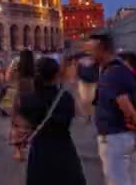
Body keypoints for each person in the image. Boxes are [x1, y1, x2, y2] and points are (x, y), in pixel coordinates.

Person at [17, 57, 86, 185]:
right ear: (56, 75)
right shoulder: (65, 97)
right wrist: (73, 86)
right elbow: (83, 115)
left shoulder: (27, 99)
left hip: (40, 152)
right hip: (64, 150)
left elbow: (21, 128)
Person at [90, 34, 136, 184]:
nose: (90, 54)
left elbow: (125, 104)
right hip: (124, 136)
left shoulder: (111, 74)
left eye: (92, 50)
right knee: (132, 177)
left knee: (117, 180)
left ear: (102, 49)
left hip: (114, 138)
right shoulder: (123, 69)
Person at [8, 49, 35, 161]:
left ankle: (18, 152)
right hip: (32, 100)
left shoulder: (16, 70)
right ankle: (32, 147)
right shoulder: (35, 71)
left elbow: (8, 78)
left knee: (16, 125)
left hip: (17, 99)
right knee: (31, 124)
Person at [75, 51, 99, 123]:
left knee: (91, 100)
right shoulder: (80, 63)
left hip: (92, 83)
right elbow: (77, 72)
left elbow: (98, 71)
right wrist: (76, 79)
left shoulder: (95, 63)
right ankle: (87, 115)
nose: (86, 59)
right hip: (83, 82)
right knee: (84, 100)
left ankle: (89, 116)